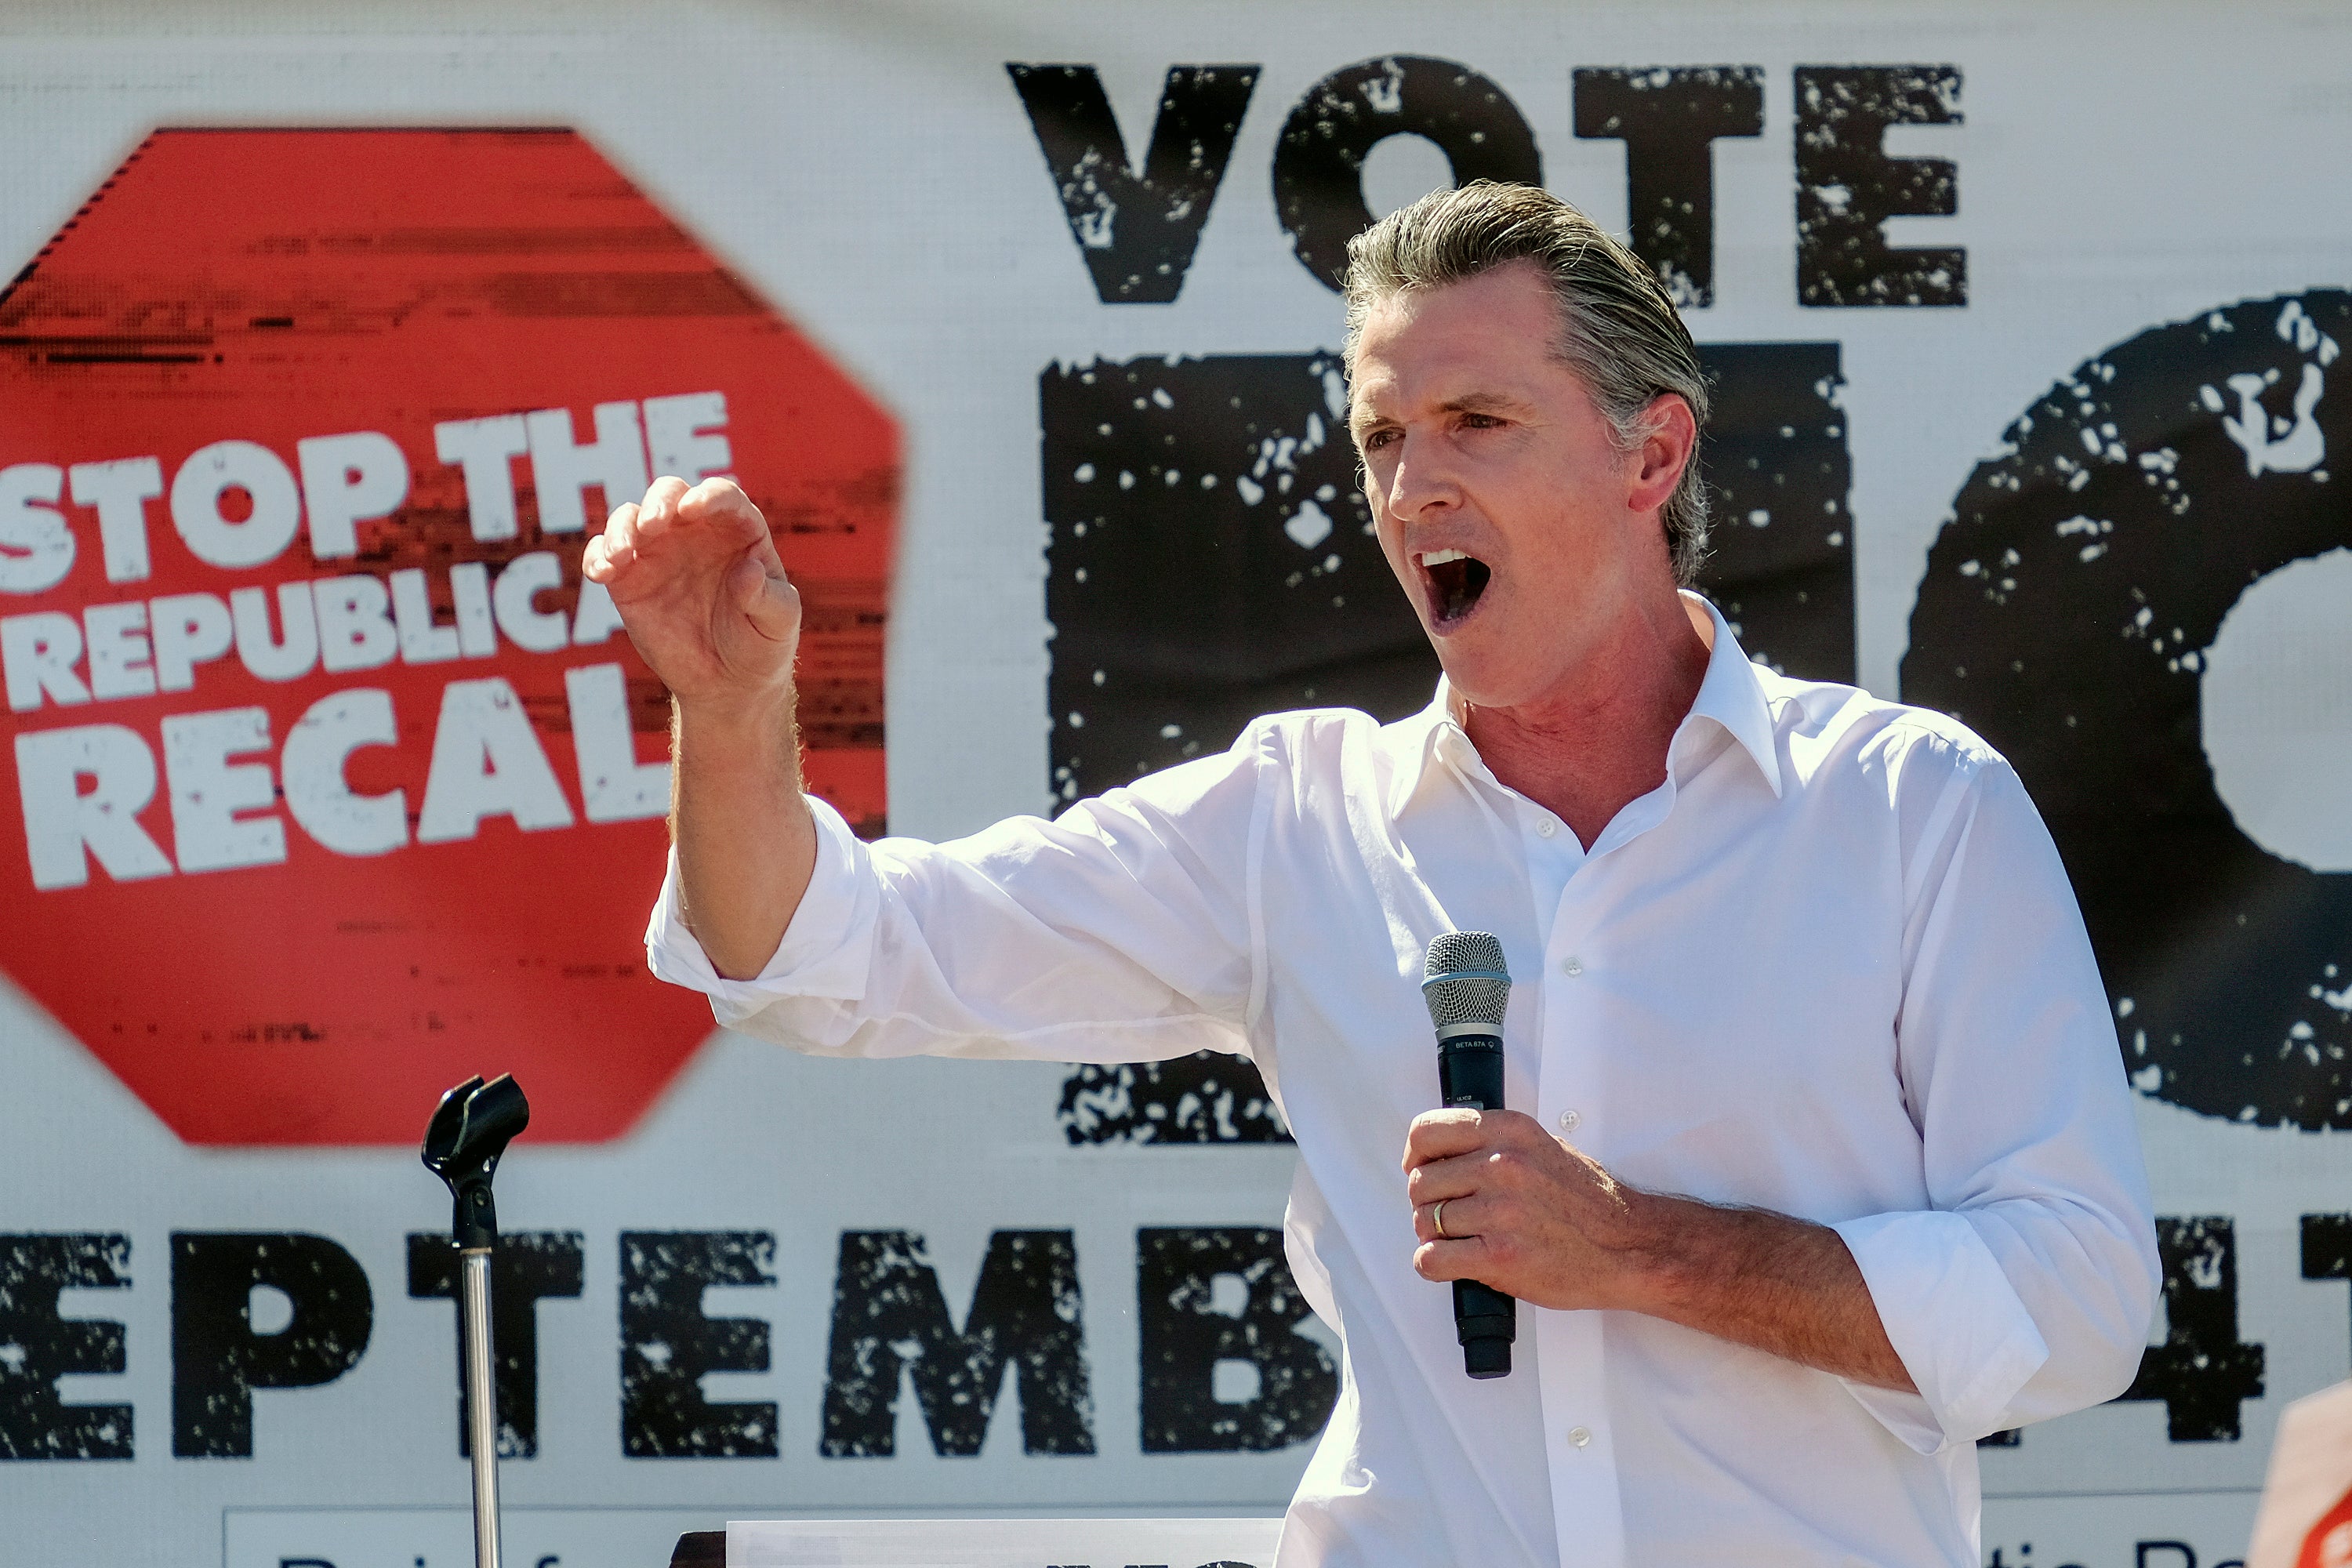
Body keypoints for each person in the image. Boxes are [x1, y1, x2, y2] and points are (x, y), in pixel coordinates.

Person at [584, 181, 2159, 1567]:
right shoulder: (1296, 820)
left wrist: (1637, 1251)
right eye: (1383, 437)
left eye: (1477, 423)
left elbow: (2080, 1304)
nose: (1414, 490)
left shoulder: (1908, 810)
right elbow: (820, 956)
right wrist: (731, 718)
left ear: (1650, 450)